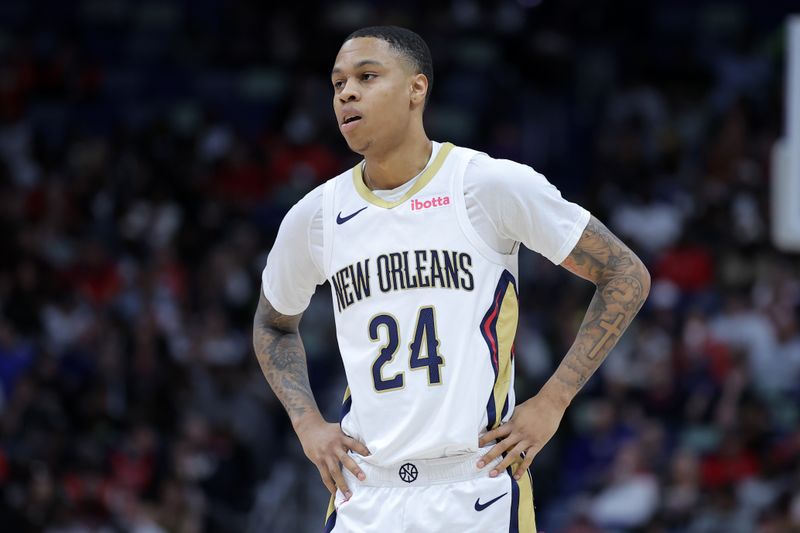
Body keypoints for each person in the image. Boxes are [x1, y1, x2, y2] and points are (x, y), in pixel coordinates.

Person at [252, 25, 650, 533]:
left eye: (367, 76)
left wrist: (552, 402)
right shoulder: (316, 216)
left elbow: (625, 274)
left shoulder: (487, 185)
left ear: (417, 89)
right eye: (337, 84)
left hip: (475, 485)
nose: (346, 92)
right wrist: (307, 424)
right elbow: (272, 324)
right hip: (364, 493)